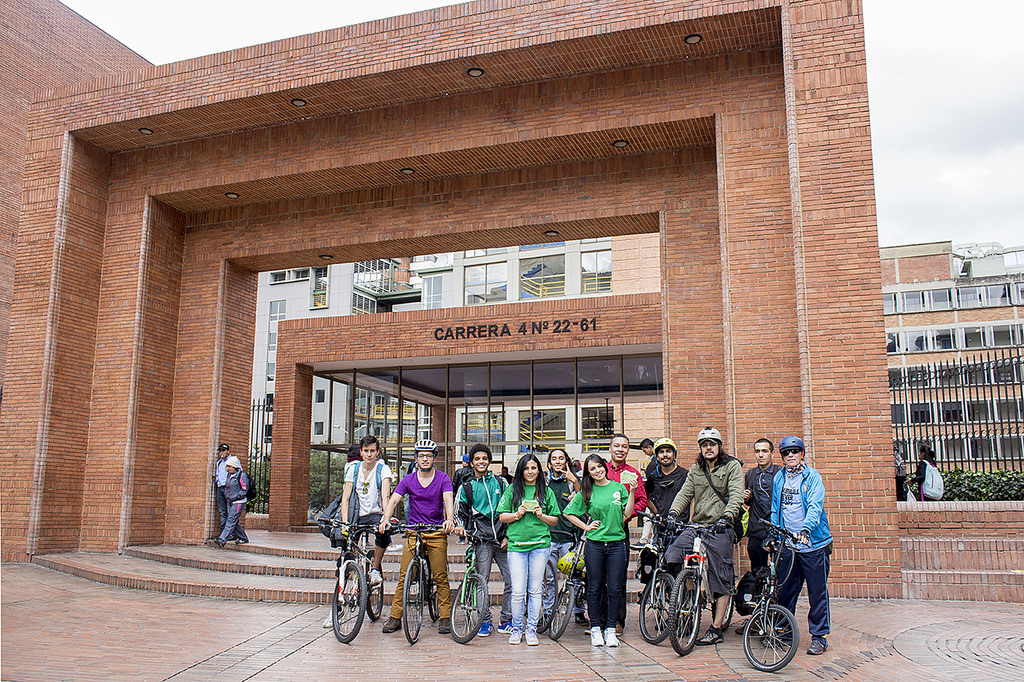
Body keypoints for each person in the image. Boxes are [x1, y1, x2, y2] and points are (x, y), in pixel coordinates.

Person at [666, 426, 743, 646]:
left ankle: (716, 628)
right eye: (704, 445)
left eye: (712, 444)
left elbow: (736, 494)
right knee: (673, 554)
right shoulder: (696, 469)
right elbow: (685, 493)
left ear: (719, 446)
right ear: (700, 448)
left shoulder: (732, 466)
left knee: (721, 577)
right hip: (697, 525)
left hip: (720, 526)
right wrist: (673, 513)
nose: (708, 448)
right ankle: (692, 592)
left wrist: (727, 517)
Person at [378, 439, 455, 635]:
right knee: (405, 575)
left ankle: (445, 617)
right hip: (414, 532)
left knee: (440, 575)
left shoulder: (443, 478)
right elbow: (394, 500)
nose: (425, 459)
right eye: (421, 456)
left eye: (429, 455)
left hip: (436, 532)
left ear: (434, 458)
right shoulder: (408, 480)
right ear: (416, 458)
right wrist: (385, 519)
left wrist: (449, 519)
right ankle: (395, 617)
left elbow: (448, 499)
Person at [563, 453, 635, 648]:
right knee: (594, 588)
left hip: (617, 544)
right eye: (592, 469)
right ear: (588, 473)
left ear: (605, 466)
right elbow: (568, 513)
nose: (597, 471)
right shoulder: (587, 491)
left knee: (615, 588)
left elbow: (627, 513)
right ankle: (595, 628)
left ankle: (610, 629)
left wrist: (633, 492)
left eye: (599, 466)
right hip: (594, 545)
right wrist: (586, 527)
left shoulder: (618, 488)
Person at [770, 436, 833, 656]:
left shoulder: (812, 476)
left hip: (813, 544)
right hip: (789, 545)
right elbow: (775, 508)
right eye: (786, 453)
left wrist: (806, 529)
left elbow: (815, 506)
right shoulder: (779, 478)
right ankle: (783, 631)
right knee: (786, 590)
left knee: (817, 592)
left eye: (795, 451)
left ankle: (819, 636)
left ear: (802, 453)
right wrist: (774, 534)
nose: (790, 455)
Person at [496, 453, 560, 646]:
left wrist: (542, 515)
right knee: (517, 590)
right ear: (520, 471)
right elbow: (502, 516)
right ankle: (517, 628)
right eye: (526, 468)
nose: (530, 472)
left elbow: (555, 520)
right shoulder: (512, 490)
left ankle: (531, 629)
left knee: (535, 590)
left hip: (540, 545)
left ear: (539, 470)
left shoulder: (546, 491)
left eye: (533, 468)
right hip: (517, 545)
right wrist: (516, 514)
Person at [454, 443, 513, 637]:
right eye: (477, 459)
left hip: (502, 539)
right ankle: (484, 620)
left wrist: (508, 535)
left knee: (512, 579)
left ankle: (506, 619)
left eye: (484, 458)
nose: (481, 462)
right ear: (471, 463)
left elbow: (511, 509)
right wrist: (460, 526)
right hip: (481, 540)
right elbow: (459, 512)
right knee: (482, 581)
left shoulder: (501, 483)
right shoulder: (467, 487)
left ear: (489, 461)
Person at [604, 433, 648, 634]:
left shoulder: (633, 473)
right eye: (617, 446)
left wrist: (626, 517)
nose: (620, 449)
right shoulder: (600, 470)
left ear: (628, 450)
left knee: (618, 578)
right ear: (610, 448)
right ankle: (598, 620)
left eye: (624, 446)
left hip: (620, 531)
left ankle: (617, 621)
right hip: (598, 531)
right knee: (597, 578)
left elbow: (642, 500)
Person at [340, 435, 393, 585]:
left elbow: (385, 496)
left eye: (372, 451)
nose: (369, 454)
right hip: (356, 515)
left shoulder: (383, 469)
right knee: (346, 548)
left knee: (383, 534)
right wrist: (345, 522)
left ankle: (375, 569)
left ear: (377, 452)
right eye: (366, 451)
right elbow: (345, 498)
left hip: (375, 514)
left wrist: (385, 519)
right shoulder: (353, 469)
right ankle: (341, 587)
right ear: (361, 452)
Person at [542, 447, 586, 625]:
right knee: (549, 578)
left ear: (567, 461)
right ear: (549, 463)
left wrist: (574, 481)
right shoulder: (544, 483)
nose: (558, 462)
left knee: (575, 577)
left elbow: (586, 500)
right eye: (554, 458)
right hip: (549, 538)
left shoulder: (573, 481)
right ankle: (548, 612)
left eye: (561, 458)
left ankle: (578, 611)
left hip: (570, 538)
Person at [213, 456, 249, 547]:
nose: (227, 468)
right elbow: (227, 487)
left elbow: (244, 489)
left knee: (231, 520)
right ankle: (243, 538)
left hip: (238, 501)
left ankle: (222, 539)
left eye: (229, 466)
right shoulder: (229, 475)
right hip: (230, 501)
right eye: (227, 466)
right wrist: (227, 495)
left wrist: (237, 497)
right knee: (233, 520)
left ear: (235, 467)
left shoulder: (241, 475)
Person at [212, 443, 230, 535]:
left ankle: (230, 533)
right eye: (220, 451)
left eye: (223, 450)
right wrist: (216, 480)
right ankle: (223, 534)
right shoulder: (219, 462)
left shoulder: (232, 461)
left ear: (228, 451)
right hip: (220, 488)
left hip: (229, 488)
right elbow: (218, 475)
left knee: (230, 511)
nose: (221, 453)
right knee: (222, 512)